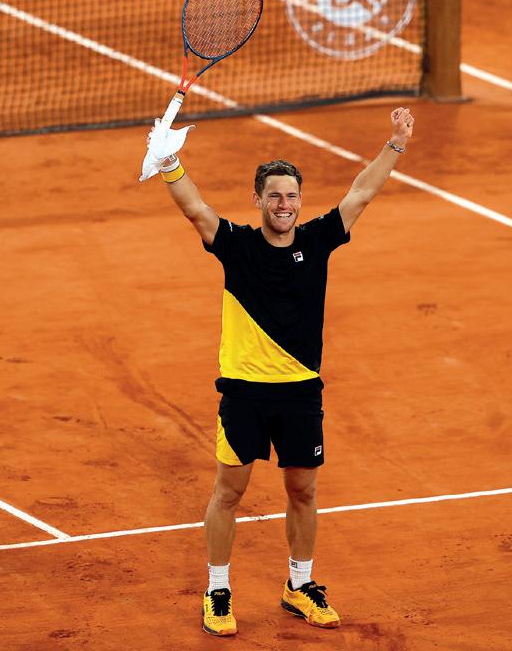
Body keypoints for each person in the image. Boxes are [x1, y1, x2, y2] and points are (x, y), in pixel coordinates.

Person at [140, 106, 415, 636]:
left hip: (300, 393)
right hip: (244, 391)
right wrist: (170, 164)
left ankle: (300, 585)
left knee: (303, 491)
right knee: (229, 492)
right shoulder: (238, 246)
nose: (283, 204)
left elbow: (361, 192)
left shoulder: (317, 240)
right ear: (258, 200)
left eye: (291, 196)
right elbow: (195, 209)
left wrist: (396, 143)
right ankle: (217, 591)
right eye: (274, 196)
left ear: (299, 201)